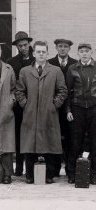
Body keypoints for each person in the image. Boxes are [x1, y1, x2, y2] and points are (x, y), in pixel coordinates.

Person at [16, 41, 68, 184]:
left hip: (49, 113)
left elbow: (62, 90)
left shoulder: (55, 70)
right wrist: (25, 104)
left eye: (43, 52)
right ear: (33, 53)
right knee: (29, 144)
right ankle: (30, 175)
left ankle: (49, 175)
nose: (41, 54)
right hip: (30, 113)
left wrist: (54, 104)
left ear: (47, 54)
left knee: (49, 144)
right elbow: (19, 90)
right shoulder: (25, 71)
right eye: (38, 52)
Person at [66, 42, 96, 185]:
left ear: (91, 53)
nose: (84, 53)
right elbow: (67, 91)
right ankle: (72, 173)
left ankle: (95, 174)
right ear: (78, 53)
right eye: (81, 51)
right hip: (77, 108)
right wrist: (68, 110)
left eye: (87, 51)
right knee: (75, 142)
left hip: (95, 109)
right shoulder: (72, 68)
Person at [7, 31, 35, 176]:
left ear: (29, 44)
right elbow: (12, 84)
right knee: (18, 135)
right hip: (19, 105)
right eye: (20, 46)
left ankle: (31, 168)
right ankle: (18, 168)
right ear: (16, 47)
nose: (23, 48)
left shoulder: (37, 60)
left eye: (25, 45)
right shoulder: (11, 62)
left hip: (35, 104)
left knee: (32, 135)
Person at [49, 39, 77, 177]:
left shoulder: (75, 64)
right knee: (54, 137)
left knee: (70, 138)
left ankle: (69, 170)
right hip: (54, 106)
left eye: (65, 47)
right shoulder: (50, 63)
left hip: (71, 107)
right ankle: (54, 169)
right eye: (60, 46)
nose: (62, 49)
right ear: (56, 48)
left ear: (69, 49)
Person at [0, 43, 16, 184]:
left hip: (5, 110)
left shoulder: (8, 68)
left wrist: (10, 101)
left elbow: (13, 88)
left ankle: (7, 174)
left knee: (6, 143)